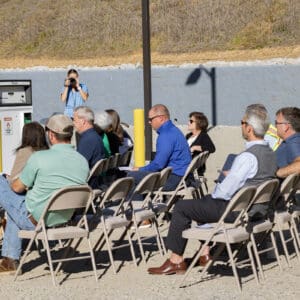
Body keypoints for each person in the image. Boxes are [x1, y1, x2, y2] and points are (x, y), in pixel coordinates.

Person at [147, 103, 277, 275]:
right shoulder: (270, 152)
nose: (241, 125)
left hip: (236, 210)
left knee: (182, 208)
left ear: (250, 128)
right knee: (202, 204)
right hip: (257, 208)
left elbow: (224, 192)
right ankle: (205, 253)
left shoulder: (247, 157)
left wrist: (220, 186)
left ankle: (175, 260)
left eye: (243, 122)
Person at [0, 114, 89, 274]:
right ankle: (9, 261)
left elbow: (17, 188)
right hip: (63, 218)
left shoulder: (39, 158)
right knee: (13, 209)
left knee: (1, 182)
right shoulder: (82, 161)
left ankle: (10, 259)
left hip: (35, 219)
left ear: (51, 134)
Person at [128, 104, 191, 191]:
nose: (149, 122)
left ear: (161, 118)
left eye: (150, 119)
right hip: (182, 177)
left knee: (131, 176)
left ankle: (133, 203)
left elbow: (158, 164)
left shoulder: (166, 135)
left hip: (174, 179)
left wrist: (140, 169)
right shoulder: (173, 130)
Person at [274, 107, 300, 178]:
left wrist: (278, 173)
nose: (275, 126)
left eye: (276, 123)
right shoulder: (294, 140)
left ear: (286, 126)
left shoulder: (293, 142)